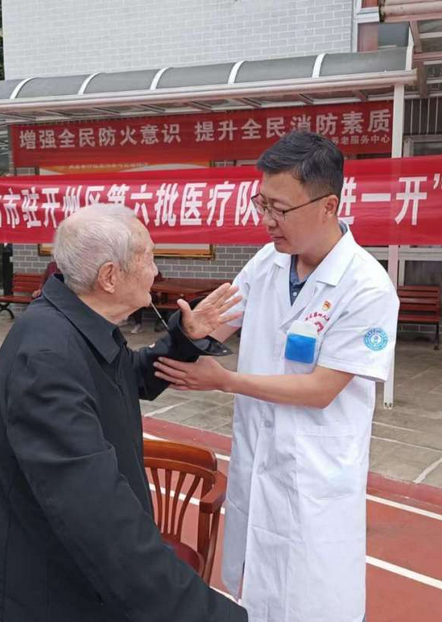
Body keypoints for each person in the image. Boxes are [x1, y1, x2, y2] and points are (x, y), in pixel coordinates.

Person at [153, 132, 400, 622]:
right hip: (258, 463)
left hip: (315, 482)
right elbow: (221, 322)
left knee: (313, 604)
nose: (267, 220)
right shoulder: (269, 262)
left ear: (328, 206)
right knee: (253, 599)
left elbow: (322, 389)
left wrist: (226, 380)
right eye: (261, 203)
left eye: (280, 209)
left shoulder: (366, 287)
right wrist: (193, 330)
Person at [0, 205, 248, 622]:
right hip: (51, 596)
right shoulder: (47, 356)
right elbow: (99, 517)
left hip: (80, 583)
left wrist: (184, 338)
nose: (156, 271)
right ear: (109, 277)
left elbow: (128, 376)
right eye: (148, 258)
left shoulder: (79, 324)